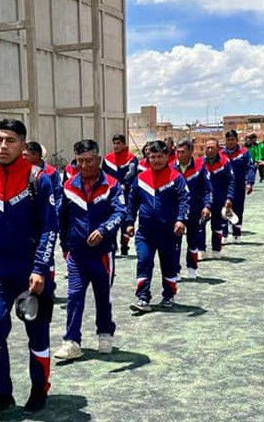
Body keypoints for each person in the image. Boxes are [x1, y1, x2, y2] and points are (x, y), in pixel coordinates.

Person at [0, 119, 58, 422]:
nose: (3, 146)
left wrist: (39, 268)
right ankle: (1, 394)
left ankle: (39, 389)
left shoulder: (39, 179)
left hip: (32, 274)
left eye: (10, 140)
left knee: (37, 334)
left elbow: (50, 228)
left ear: (23, 144)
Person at [55, 139, 125, 360]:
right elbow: (61, 219)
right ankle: (71, 341)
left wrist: (103, 230)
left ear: (98, 160)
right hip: (76, 255)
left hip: (103, 255)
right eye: (79, 161)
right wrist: (65, 248)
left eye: (89, 161)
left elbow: (120, 213)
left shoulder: (113, 185)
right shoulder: (68, 188)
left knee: (102, 296)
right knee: (74, 296)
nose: (84, 166)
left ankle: (105, 333)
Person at [126, 140, 189, 312]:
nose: (156, 160)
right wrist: (130, 223)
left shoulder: (176, 178)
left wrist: (180, 220)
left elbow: (185, 200)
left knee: (169, 265)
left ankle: (169, 296)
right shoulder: (140, 179)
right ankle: (143, 298)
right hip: (145, 234)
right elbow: (131, 203)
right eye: (152, 157)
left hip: (169, 234)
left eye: (160, 156)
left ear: (167, 157)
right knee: (144, 262)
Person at [173, 139, 212, 279]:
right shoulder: (171, 168)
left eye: (183, 152)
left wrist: (207, 206)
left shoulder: (200, 168)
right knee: (175, 243)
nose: (180, 155)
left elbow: (208, 190)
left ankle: (192, 268)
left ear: (190, 152)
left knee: (193, 241)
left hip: (195, 211)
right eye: (178, 152)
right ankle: (175, 271)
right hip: (177, 213)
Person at [103, 134, 139, 256]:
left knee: (125, 218)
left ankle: (124, 246)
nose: (116, 146)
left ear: (124, 145)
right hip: (111, 194)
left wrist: (125, 184)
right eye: (114, 143)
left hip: (127, 193)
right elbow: (104, 175)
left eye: (119, 143)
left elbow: (132, 174)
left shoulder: (131, 159)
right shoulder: (107, 159)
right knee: (111, 217)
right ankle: (112, 245)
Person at [199, 138, 234, 259]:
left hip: (220, 199)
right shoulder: (200, 163)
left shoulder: (225, 162)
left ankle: (216, 249)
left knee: (217, 225)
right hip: (204, 201)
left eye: (212, 147)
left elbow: (231, 181)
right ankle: (201, 249)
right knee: (200, 224)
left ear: (218, 149)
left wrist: (229, 198)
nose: (209, 150)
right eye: (207, 148)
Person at [222, 130, 255, 243]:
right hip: (224, 187)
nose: (230, 142)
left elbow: (250, 168)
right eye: (228, 140)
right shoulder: (221, 154)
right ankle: (224, 234)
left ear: (236, 140)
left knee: (238, 209)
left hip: (239, 186)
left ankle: (236, 233)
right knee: (224, 208)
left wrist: (250, 182)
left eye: (232, 140)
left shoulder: (244, 153)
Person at [22, 141, 62, 212]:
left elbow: (58, 195)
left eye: (26, 155)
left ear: (36, 155)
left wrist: (55, 213)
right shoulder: (23, 170)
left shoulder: (51, 172)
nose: (23, 158)